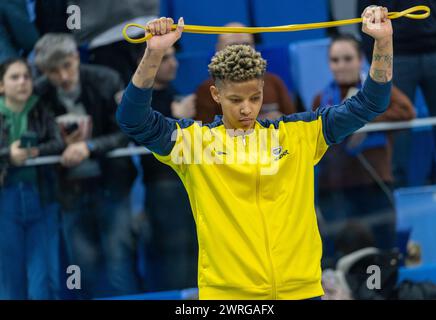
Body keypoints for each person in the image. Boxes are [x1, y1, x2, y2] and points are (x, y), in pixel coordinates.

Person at [117, 5, 393, 299]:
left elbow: (371, 103)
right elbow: (132, 119)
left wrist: (383, 41)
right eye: (235, 99)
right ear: (216, 94)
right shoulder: (194, 143)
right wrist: (154, 54)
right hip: (229, 297)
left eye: (255, 97)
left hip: (302, 291)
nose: (246, 108)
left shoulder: (299, 134)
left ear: (263, 88)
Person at [33, 33, 139, 298]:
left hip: (113, 186)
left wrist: (89, 147)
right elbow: (36, 140)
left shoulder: (106, 79)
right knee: (84, 267)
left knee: (119, 262)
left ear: (76, 58)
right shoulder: (39, 93)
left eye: (67, 66)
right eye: (54, 72)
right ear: (44, 72)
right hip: (69, 191)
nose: (64, 76)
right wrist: (61, 146)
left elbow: (125, 132)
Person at [311, 34, 415, 259]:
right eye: (335, 60)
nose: (341, 66)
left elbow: (407, 111)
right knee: (340, 254)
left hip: (375, 184)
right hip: (335, 191)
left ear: (360, 60)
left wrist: (363, 118)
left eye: (348, 58)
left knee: (382, 254)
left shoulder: (376, 91)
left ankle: (377, 291)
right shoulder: (321, 99)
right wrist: (344, 130)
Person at [358, 0, 436, 186]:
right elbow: (365, 11)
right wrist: (377, 60)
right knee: (398, 130)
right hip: (396, 54)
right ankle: (398, 195)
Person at [0, 58, 64, 299]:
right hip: (5, 199)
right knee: (8, 275)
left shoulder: (41, 108)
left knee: (44, 275)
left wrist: (37, 151)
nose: (22, 82)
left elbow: (58, 143)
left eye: (26, 76)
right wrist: (9, 155)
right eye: (14, 77)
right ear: (1, 86)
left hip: (41, 196)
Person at [136, 45, 198, 291]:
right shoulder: (142, 99)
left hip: (187, 182)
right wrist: (176, 119)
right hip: (163, 185)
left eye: (174, 57)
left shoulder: (173, 91)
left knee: (194, 246)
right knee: (174, 251)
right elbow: (137, 132)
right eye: (165, 59)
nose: (174, 63)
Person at [195, 22, 297, 123]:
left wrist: (279, 123)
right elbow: (205, 134)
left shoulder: (274, 82)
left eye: (247, 44)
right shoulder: (206, 89)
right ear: (218, 49)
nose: (241, 51)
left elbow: (293, 125)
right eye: (233, 45)